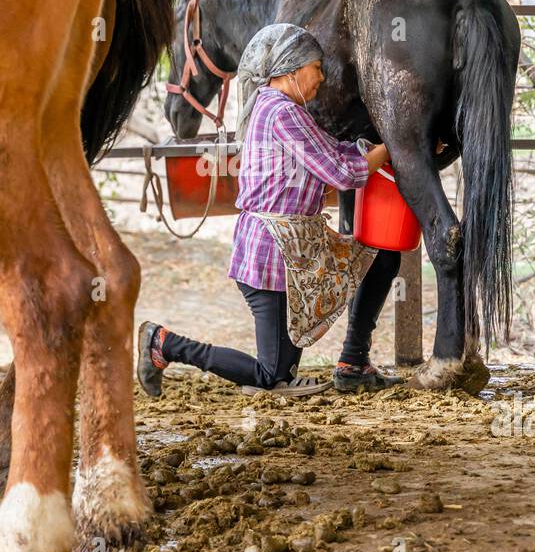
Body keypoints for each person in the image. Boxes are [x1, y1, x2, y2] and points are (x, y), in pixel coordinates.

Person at [136, 22, 405, 397]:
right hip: (271, 255)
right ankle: (164, 343)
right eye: (317, 68)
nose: (321, 78)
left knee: (285, 368)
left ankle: (330, 363)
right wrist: (396, 145)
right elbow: (342, 172)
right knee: (270, 375)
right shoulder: (282, 113)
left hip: (285, 248)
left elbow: (334, 152)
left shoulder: (278, 107)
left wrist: (372, 146)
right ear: (292, 70)